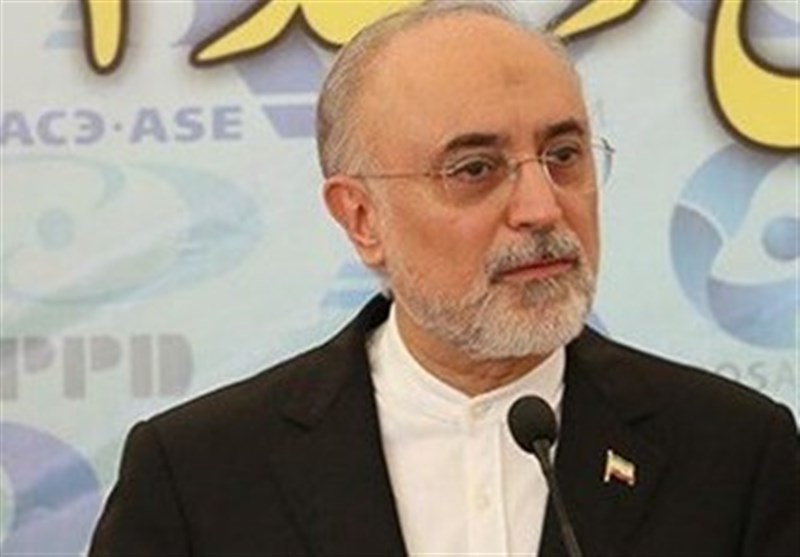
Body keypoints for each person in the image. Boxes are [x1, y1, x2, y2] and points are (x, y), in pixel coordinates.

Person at [89, 1, 799, 555]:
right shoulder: (199, 474)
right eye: (475, 169)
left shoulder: (736, 452)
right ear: (361, 217)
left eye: (563, 154)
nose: (541, 207)